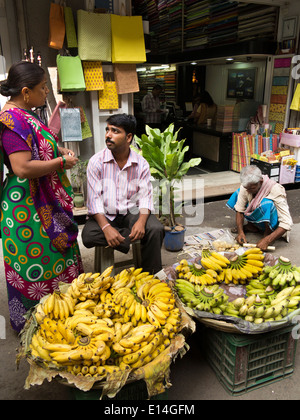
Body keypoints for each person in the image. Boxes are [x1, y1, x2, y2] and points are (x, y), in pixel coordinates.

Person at [0, 61, 83, 332]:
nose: (46, 91)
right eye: (43, 87)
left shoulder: (28, 114)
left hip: (42, 198)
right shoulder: (12, 121)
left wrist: (59, 149)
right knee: (36, 262)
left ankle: (65, 312)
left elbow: (40, 142)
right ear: (25, 91)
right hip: (27, 206)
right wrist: (60, 163)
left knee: (58, 258)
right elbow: (22, 167)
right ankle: (35, 325)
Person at [82, 113, 164, 274]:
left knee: (155, 228)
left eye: (115, 131)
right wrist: (106, 227)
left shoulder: (141, 164)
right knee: (88, 236)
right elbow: (94, 201)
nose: (108, 135)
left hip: (130, 213)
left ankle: (151, 277)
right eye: (107, 130)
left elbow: (146, 197)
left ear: (128, 137)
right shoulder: (96, 162)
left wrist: (141, 222)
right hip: (104, 214)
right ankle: (130, 237)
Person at [227, 165, 293, 251]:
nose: (248, 190)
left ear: (261, 182)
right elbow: (239, 209)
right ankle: (252, 226)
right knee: (238, 192)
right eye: (247, 188)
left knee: (266, 204)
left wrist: (268, 240)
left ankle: (268, 233)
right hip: (258, 217)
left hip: (273, 222)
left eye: (252, 188)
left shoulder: (275, 189)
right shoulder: (246, 187)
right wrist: (240, 232)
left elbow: (287, 223)